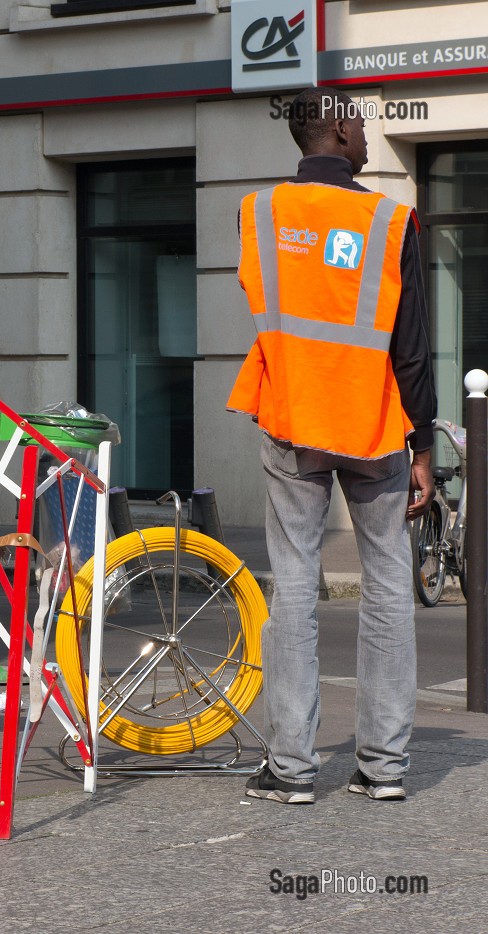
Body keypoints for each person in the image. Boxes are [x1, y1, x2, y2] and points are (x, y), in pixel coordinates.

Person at [228, 86, 435, 804]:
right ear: (341, 131)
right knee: (386, 588)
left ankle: (290, 768)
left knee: (292, 589)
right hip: (373, 424)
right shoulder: (389, 219)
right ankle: (383, 768)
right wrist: (424, 439)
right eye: (362, 123)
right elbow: (411, 345)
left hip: (291, 419)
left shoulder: (257, 213)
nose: (371, 134)